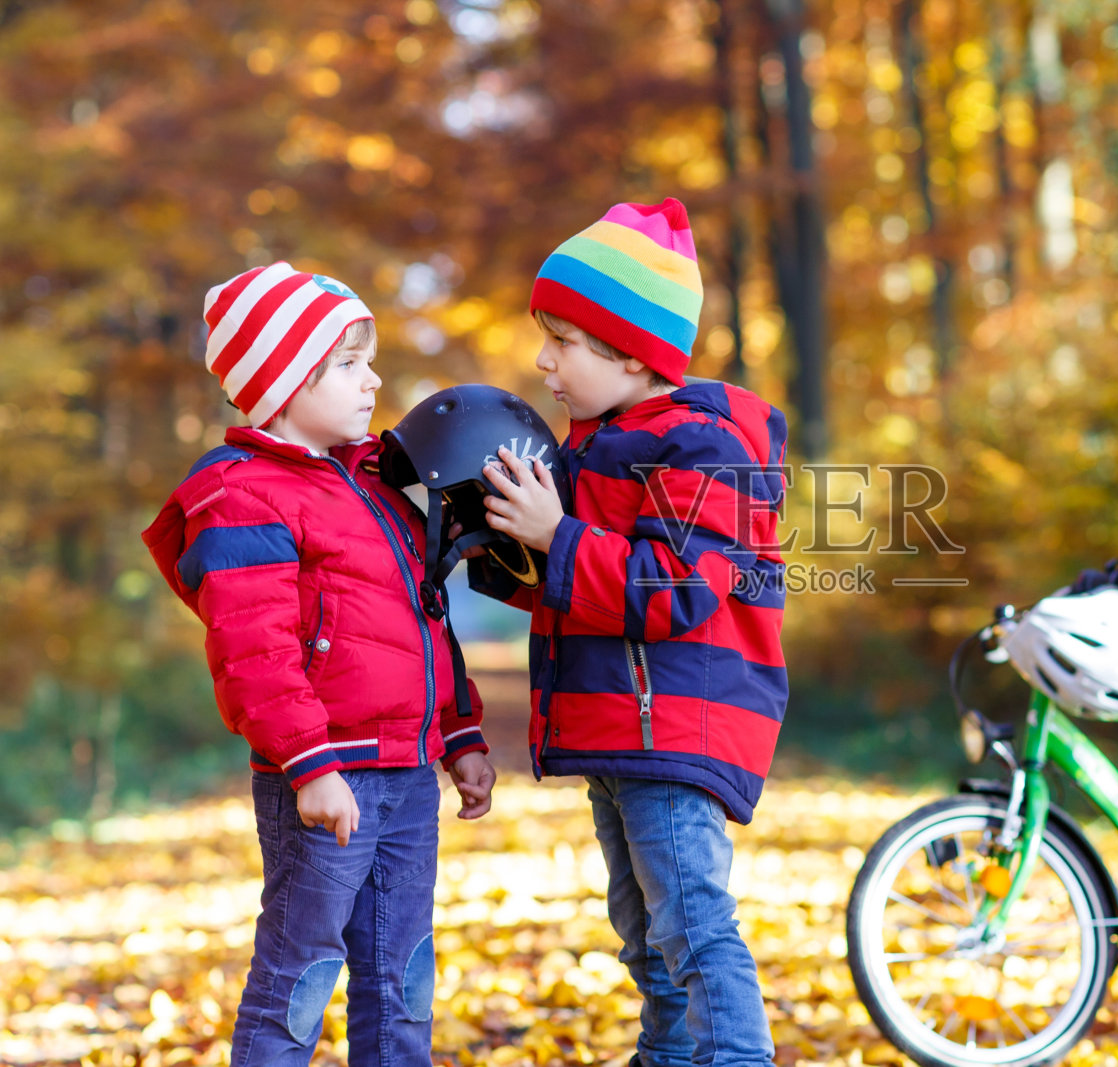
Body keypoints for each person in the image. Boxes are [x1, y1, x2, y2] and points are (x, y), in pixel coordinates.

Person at [141, 261, 497, 1066]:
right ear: (285, 383)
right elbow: (252, 650)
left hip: (408, 776)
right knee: (300, 974)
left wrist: (462, 731)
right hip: (325, 778)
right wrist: (308, 764)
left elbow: (425, 614)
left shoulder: (378, 483)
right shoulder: (243, 494)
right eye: (346, 364)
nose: (372, 379)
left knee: (403, 973)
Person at [469, 198, 788, 1067]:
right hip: (620, 729)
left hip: (678, 724)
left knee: (692, 923)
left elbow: (674, 590)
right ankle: (670, 1055)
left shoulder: (703, 450)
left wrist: (555, 535)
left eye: (563, 341)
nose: (544, 361)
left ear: (632, 351)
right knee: (643, 929)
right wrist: (491, 541)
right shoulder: (592, 452)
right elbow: (571, 591)